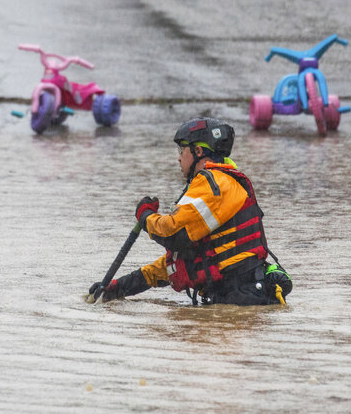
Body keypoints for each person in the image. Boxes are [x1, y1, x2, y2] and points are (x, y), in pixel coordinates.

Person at [89, 117, 292, 306]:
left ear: (198, 151)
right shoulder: (222, 182)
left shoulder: (214, 184)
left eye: (181, 150)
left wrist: (145, 217)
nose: (178, 158)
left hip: (240, 298)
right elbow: (180, 261)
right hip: (242, 297)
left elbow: (173, 234)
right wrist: (121, 287)